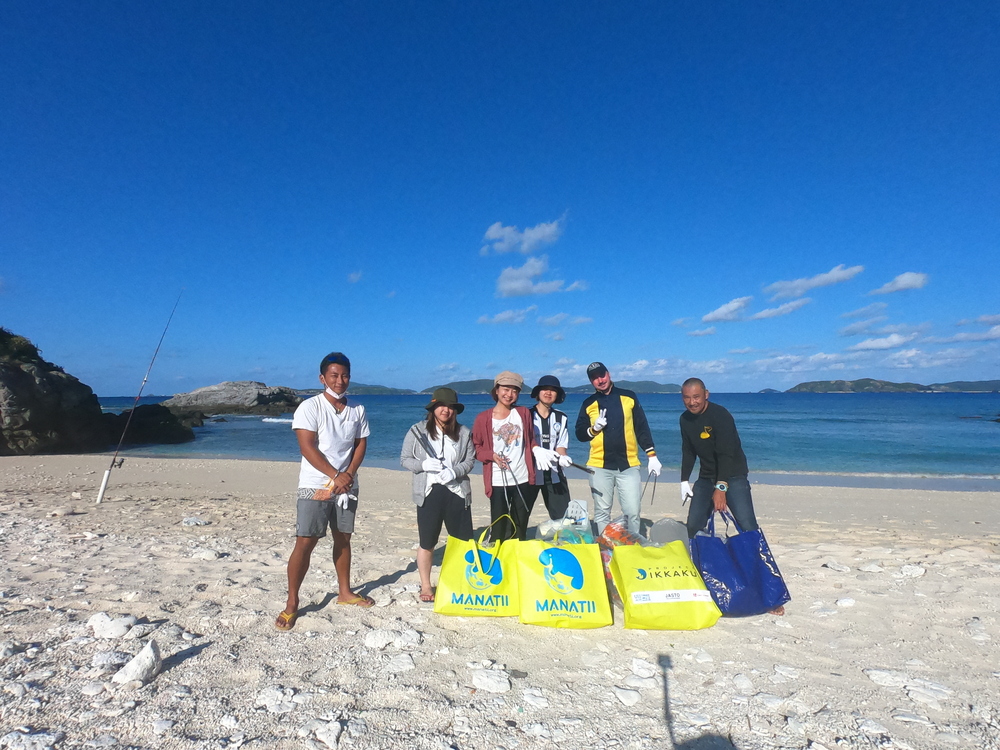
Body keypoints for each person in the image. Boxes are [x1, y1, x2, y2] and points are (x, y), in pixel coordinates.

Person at [275, 352, 372, 631]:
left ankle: (344, 592)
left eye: (344, 375)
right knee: (306, 541)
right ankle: (292, 602)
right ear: (322, 378)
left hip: (347, 486)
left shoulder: (358, 409)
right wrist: (335, 475)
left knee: (343, 539)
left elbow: (360, 444)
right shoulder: (310, 407)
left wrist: (348, 475)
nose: (340, 381)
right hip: (315, 485)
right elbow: (307, 446)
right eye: (334, 375)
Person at [400, 388, 476, 603]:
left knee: (462, 541)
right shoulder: (417, 431)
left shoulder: (464, 433)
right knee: (427, 542)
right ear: (433, 408)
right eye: (441, 406)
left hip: (457, 492)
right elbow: (405, 459)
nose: (446, 410)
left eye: (451, 407)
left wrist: (455, 471)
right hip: (428, 492)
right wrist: (423, 465)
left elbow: (469, 461)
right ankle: (426, 584)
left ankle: (459, 581)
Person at [575, 361, 661, 535]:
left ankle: (631, 548)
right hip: (598, 466)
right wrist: (594, 429)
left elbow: (641, 427)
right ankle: (606, 551)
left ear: (609, 374)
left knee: (632, 512)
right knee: (601, 513)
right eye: (594, 378)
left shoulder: (628, 397)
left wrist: (651, 455)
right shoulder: (588, 403)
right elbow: (579, 434)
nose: (600, 380)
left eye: (602, 375)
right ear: (591, 382)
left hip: (628, 465)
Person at [679, 377, 758, 538]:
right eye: (687, 397)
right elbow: (688, 451)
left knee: (747, 524)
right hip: (706, 477)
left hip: (733, 475)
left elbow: (726, 453)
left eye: (696, 397)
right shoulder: (685, 419)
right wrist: (684, 480)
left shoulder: (720, 415)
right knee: (693, 525)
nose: (692, 402)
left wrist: (721, 488)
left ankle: (758, 560)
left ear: (706, 394)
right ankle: (701, 559)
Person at [471, 371, 541, 541]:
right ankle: (499, 556)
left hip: (522, 477)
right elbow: (475, 449)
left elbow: (530, 440)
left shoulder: (523, 413)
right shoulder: (483, 419)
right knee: (499, 524)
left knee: (520, 524)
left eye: (514, 390)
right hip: (497, 480)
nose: (509, 394)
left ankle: (515, 558)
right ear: (496, 390)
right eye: (506, 389)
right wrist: (491, 455)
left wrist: (538, 450)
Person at [525, 375, 574, 521]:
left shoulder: (562, 417)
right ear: (538, 393)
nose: (548, 393)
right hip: (529, 475)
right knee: (519, 516)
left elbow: (560, 445)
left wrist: (563, 457)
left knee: (564, 519)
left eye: (553, 390)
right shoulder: (526, 415)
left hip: (554, 475)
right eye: (545, 389)